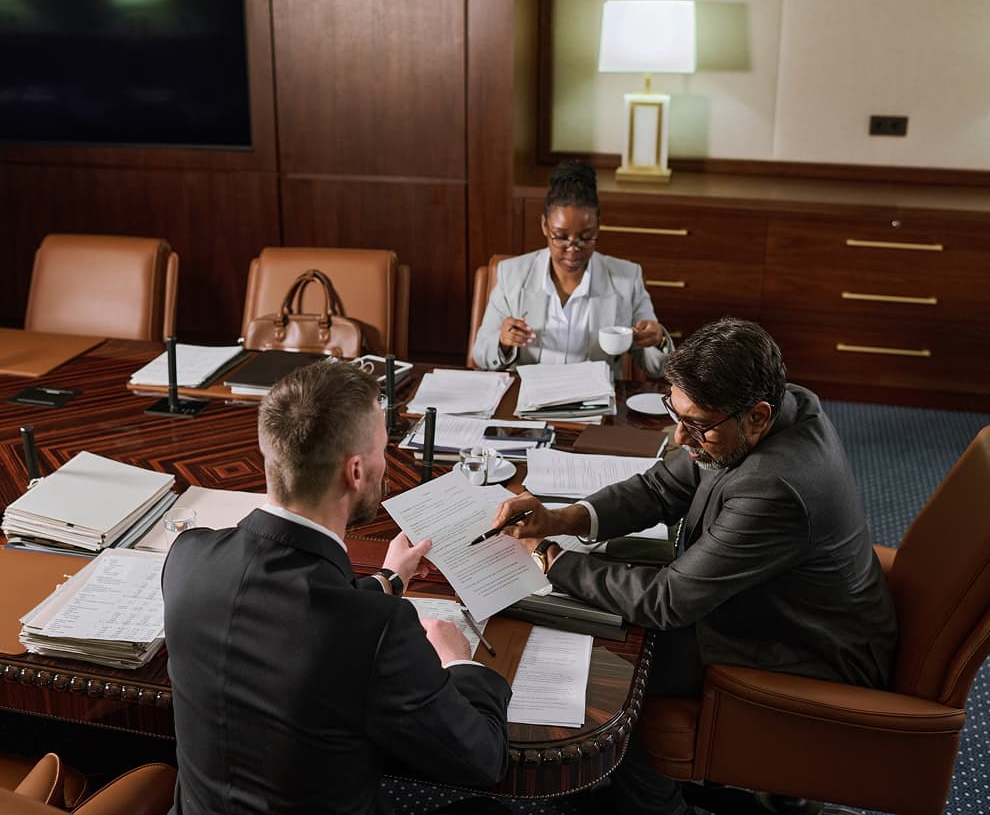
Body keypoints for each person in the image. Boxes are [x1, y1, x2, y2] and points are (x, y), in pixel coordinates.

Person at [492, 317, 897, 815]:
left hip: (810, 646)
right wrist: (563, 517)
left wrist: (551, 560)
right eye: (674, 412)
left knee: (618, 669)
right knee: (612, 614)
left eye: (697, 425)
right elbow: (663, 486)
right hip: (775, 605)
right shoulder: (771, 405)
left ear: (757, 416)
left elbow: (668, 601)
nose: (680, 436)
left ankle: (656, 806)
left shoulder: (775, 487)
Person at [163, 360, 511, 815]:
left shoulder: (186, 558)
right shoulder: (376, 631)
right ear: (355, 472)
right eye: (384, 450)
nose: (387, 463)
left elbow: (288, 620)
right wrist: (461, 662)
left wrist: (388, 580)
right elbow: (482, 759)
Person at [471, 160, 672, 376]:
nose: (573, 249)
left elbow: (656, 368)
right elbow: (480, 354)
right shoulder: (512, 275)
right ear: (545, 226)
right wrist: (503, 342)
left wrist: (659, 339)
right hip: (529, 397)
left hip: (594, 400)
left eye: (586, 237)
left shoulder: (626, 279)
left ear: (598, 227)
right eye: (561, 237)